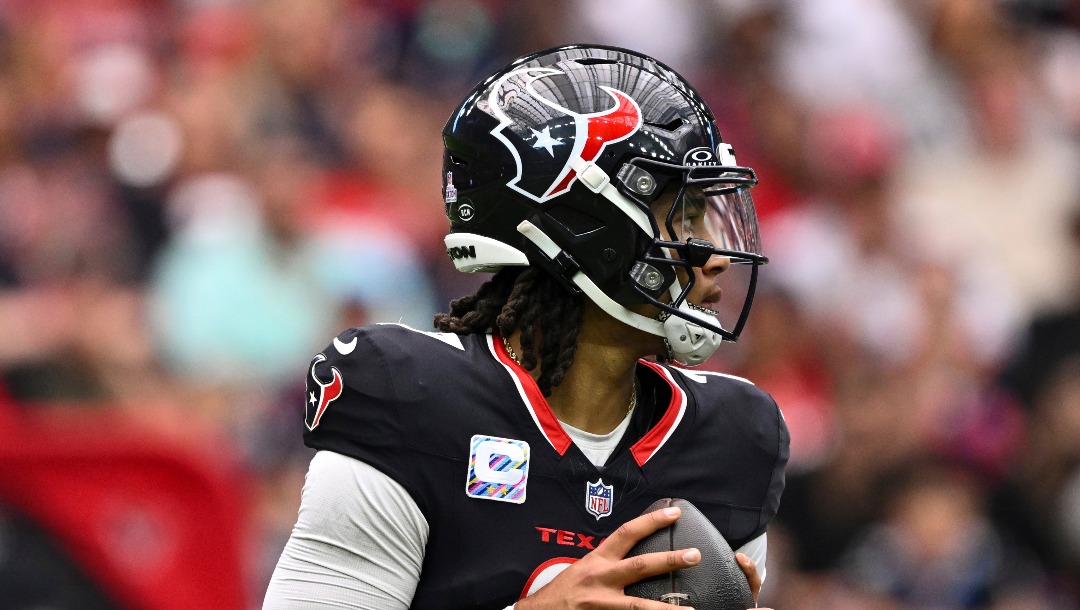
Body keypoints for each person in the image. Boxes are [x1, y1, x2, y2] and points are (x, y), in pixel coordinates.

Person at [264, 44, 789, 610]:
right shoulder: (411, 399)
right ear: (583, 225)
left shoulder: (732, 439)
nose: (716, 256)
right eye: (684, 216)